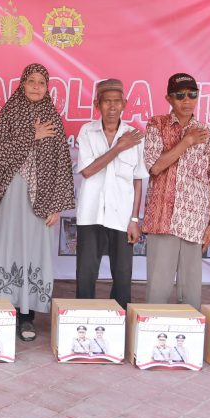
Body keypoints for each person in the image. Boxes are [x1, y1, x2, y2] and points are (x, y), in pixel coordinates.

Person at [0, 64, 75, 342]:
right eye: (31, 81)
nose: (35, 86)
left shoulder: (52, 118)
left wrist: (56, 205)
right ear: (22, 83)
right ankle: (2, 309)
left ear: (47, 87)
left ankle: (26, 316)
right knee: (7, 246)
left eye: (41, 82)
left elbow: (61, 163)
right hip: (10, 194)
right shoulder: (9, 112)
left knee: (32, 251)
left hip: (40, 199)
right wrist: (32, 136)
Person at [142, 73, 210, 311]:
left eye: (192, 94)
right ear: (168, 98)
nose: (187, 100)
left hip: (195, 221)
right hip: (162, 219)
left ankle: (190, 332)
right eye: (180, 95)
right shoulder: (157, 124)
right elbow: (155, 167)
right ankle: (153, 331)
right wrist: (186, 142)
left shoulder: (207, 132)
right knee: (157, 290)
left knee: (191, 294)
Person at [75, 79, 146, 309]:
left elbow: (137, 180)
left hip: (122, 215)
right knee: (86, 273)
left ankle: (120, 321)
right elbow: (87, 171)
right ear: (97, 104)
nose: (112, 107)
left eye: (117, 101)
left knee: (123, 275)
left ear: (125, 103)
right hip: (90, 214)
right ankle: (83, 317)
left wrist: (134, 219)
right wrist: (118, 147)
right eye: (107, 102)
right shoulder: (87, 131)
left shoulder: (134, 136)